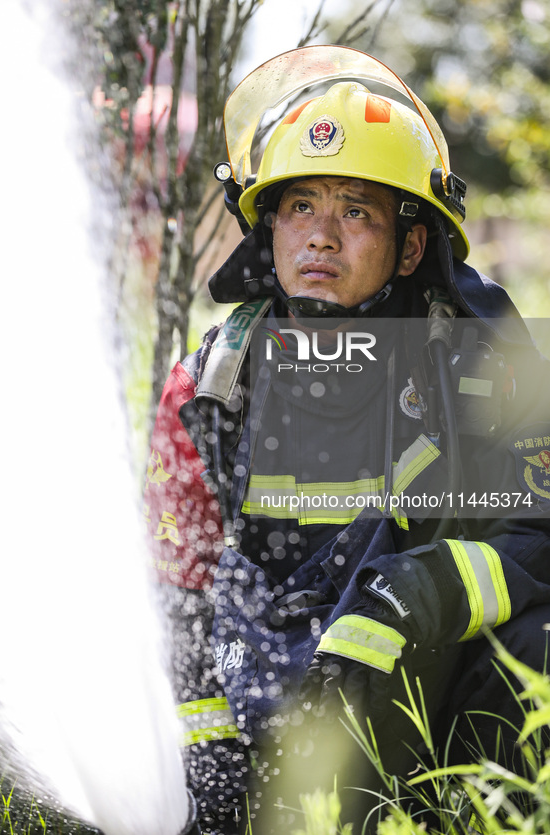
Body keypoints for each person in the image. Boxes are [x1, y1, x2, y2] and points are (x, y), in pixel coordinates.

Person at [143, 46, 550, 834]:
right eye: (300, 207)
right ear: (269, 230)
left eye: (355, 210)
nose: (320, 238)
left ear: (407, 246)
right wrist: (210, 749)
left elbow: (541, 533)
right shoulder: (204, 394)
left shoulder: (478, 370)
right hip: (260, 712)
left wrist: (416, 593)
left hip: (424, 695)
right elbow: (176, 593)